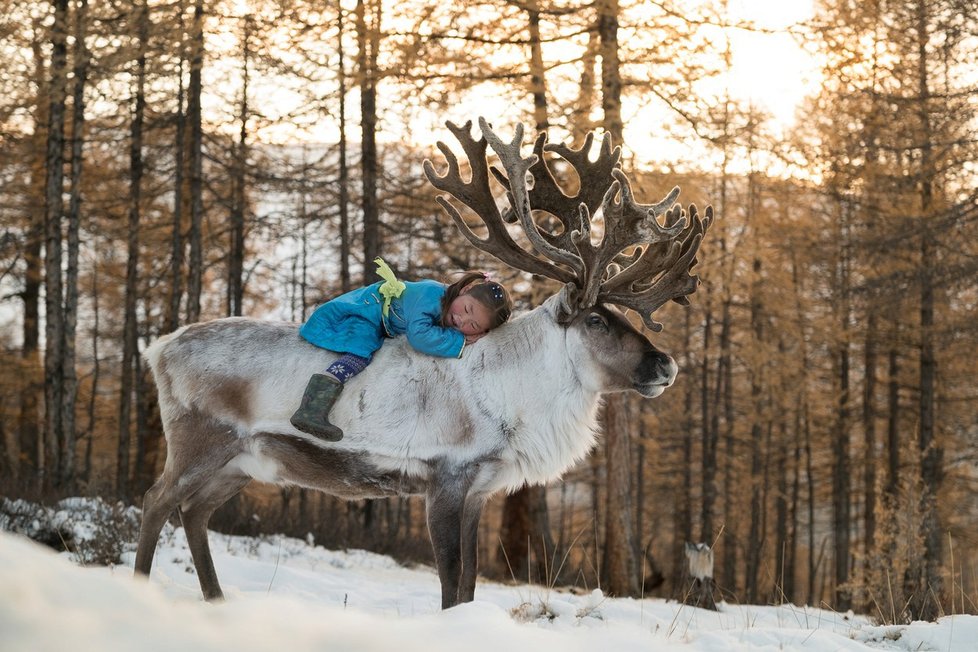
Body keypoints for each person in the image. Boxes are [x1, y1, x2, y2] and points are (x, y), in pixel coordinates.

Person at [290, 258, 513, 441]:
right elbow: (419, 336)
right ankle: (310, 410)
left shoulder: (450, 307)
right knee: (361, 350)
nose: (461, 320)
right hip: (369, 310)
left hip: (381, 320)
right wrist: (460, 341)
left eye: (472, 325)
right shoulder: (431, 294)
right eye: (466, 308)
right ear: (465, 289)